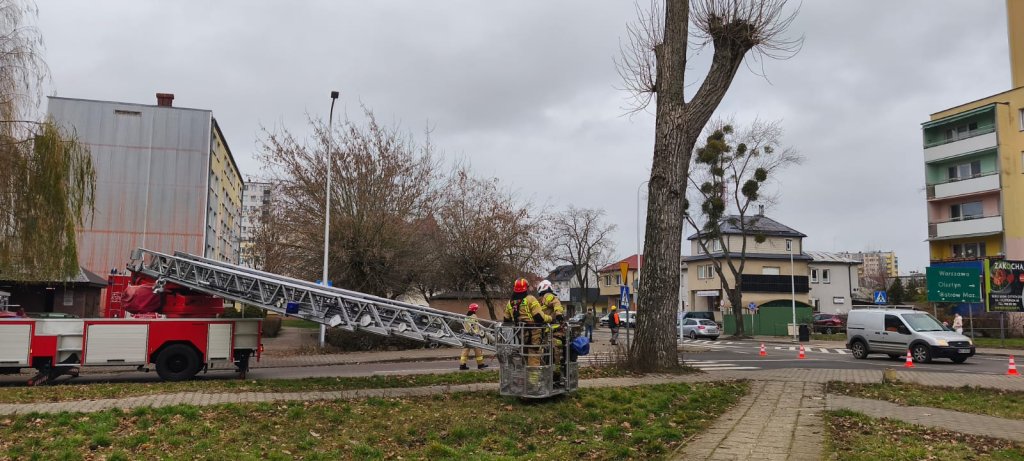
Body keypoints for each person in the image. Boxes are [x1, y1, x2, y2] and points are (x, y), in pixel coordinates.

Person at [504, 278, 546, 367]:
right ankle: (533, 380)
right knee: (534, 359)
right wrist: (551, 318)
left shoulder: (510, 302)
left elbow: (506, 320)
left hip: (520, 335)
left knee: (524, 357)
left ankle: (526, 378)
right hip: (533, 334)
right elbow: (539, 317)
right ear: (526, 288)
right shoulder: (530, 299)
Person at [459, 303, 488, 370]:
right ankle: (480, 365)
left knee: (465, 351)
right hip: (473, 336)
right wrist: (476, 333)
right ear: (475, 309)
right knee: (478, 350)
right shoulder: (473, 316)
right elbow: (473, 326)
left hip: (467, 335)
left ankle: (462, 365)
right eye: (477, 308)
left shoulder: (467, 316)